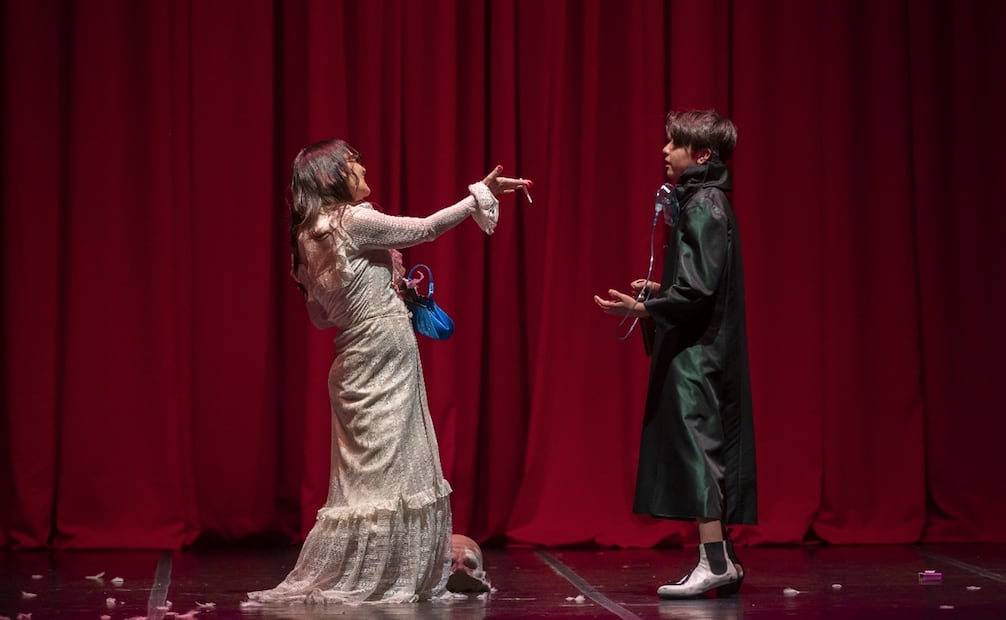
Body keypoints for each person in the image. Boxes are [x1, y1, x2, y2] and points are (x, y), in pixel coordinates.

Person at [248, 138, 531, 604]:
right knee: (397, 472)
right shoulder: (351, 220)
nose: (362, 168)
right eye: (352, 162)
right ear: (332, 176)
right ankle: (391, 578)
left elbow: (320, 317)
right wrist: (479, 194)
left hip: (351, 358)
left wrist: (377, 290)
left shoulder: (308, 236)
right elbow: (425, 228)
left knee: (367, 480)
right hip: (384, 349)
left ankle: (378, 572)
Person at [593, 109, 756, 598]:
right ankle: (724, 560)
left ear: (702, 154)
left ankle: (714, 561)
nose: (665, 151)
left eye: (674, 143)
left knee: (698, 448)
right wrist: (662, 291)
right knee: (701, 446)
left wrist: (646, 307)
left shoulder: (705, 203)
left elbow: (700, 290)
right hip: (700, 344)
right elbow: (701, 283)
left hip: (698, 352)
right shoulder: (704, 200)